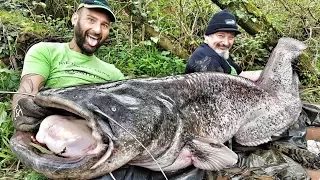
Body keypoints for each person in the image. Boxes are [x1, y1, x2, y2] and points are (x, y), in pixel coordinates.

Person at [12, 0, 124, 131]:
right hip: (51, 128)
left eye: (104, 25)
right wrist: (24, 113)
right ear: (75, 19)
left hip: (98, 135)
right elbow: (27, 94)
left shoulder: (114, 73)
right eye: (91, 20)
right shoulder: (45, 51)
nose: (97, 30)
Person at [185, 9, 261, 81]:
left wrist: (267, 72)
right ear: (207, 36)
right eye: (220, 36)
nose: (226, 43)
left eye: (231, 37)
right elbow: (222, 90)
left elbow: (241, 75)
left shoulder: (220, 52)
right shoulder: (206, 59)